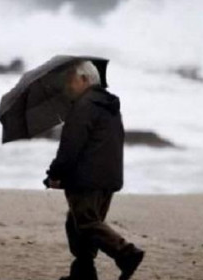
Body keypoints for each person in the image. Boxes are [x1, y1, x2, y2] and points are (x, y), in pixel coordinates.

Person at [44, 60, 145, 280]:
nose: (67, 87)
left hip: (87, 179)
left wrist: (55, 174)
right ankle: (83, 274)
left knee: (87, 224)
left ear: (84, 79)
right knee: (77, 225)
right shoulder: (107, 105)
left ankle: (126, 253)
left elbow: (70, 146)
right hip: (107, 178)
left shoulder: (84, 106)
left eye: (70, 81)